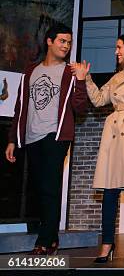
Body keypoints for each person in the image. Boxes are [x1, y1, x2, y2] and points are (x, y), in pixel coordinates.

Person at [72, 33, 124, 264]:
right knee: (109, 191)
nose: (116, 52)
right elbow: (99, 100)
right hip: (114, 133)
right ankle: (107, 243)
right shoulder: (117, 77)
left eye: (119, 47)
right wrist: (86, 78)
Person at [5, 23, 88, 255]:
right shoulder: (30, 71)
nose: (66, 46)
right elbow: (20, 107)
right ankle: (50, 239)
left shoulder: (70, 72)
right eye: (62, 41)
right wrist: (13, 139)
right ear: (49, 42)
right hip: (32, 137)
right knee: (40, 189)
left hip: (56, 135)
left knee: (50, 187)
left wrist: (80, 81)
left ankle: (44, 240)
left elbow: (79, 108)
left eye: (69, 42)